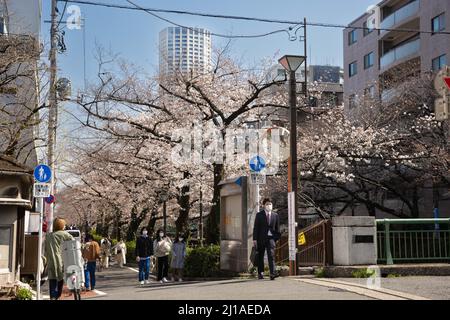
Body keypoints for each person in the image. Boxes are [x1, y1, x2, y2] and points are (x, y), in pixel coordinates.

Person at [44, 217, 74, 300]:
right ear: (61, 225)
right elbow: (73, 241)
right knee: (60, 279)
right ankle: (58, 295)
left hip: (50, 260)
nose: (64, 227)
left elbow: (45, 249)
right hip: (60, 260)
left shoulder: (48, 235)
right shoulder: (64, 234)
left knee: (52, 279)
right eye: (64, 225)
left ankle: (53, 297)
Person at [253, 198, 280, 280]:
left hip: (271, 239)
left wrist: (276, 239)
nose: (269, 205)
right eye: (267, 204)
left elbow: (277, 228)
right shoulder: (259, 215)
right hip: (261, 238)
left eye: (270, 204)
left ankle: (272, 273)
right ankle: (260, 273)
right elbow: (256, 228)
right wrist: (255, 239)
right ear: (264, 205)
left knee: (271, 256)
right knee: (260, 256)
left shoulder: (275, 215)